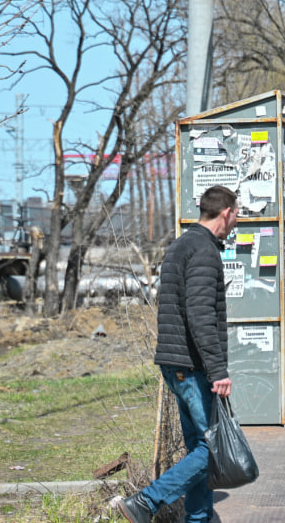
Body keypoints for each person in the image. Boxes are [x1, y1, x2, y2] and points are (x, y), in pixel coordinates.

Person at [110, 185, 237, 523]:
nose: (236, 222)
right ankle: (146, 502)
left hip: (175, 363)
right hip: (193, 366)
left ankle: (197, 520)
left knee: (200, 445)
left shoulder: (180, 245)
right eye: (237, 215)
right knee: (212, 451)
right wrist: (218, 370)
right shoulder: (205, 252)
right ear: (226, 212)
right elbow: (199, 315)